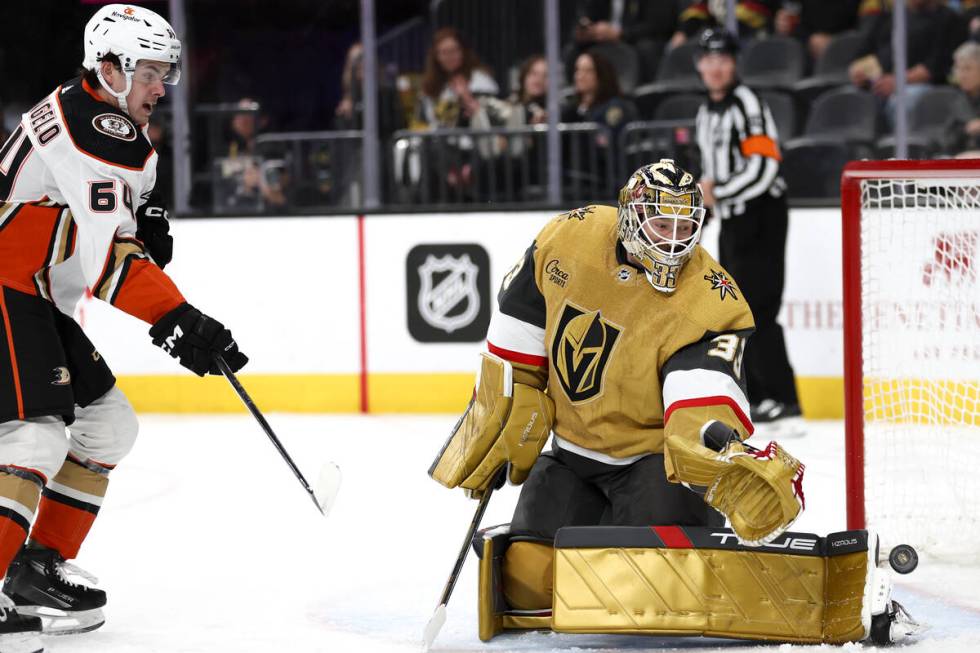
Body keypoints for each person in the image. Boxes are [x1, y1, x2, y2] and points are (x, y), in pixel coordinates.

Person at [0, 4, 248, 648]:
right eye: (150, 72)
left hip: (31, 290)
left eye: (166, 72)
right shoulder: (96, 133)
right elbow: (107, 259)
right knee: (33, 440)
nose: (161, 87)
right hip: (4, 286)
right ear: (108, 69)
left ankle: (38, 563)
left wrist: (142, 223)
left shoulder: (96, 115)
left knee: (109, 425)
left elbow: (102, 232)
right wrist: (176, 319)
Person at [693, 29, 802, 433]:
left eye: (723, 58)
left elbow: (765, 167)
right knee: (736, 308)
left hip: (763, 214)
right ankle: (756, 396)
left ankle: (784, 400)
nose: (716, 66)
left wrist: (717, 193)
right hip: (734, 218)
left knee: (760, 306)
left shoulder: (749, 105)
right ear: (699, 65)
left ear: (734, 64)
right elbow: (709, 171)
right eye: (708, 58)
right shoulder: (705, 112)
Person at [848, 0, 967, 127]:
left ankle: (905, 145)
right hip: (878, 83)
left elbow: (936, 66)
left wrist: (898, 81)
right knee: (850, 96)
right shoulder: (889, 17)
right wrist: (858, 72)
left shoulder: (947, 18)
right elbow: (861, 56)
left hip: (925, 86)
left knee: (902, 101)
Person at [943, 41, 980, 158]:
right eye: (959, 69)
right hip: (961, 161)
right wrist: (965, 130)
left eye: (968, 69)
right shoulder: (955, 101)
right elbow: (947, 142)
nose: (962, 75)